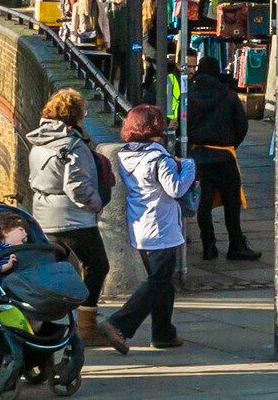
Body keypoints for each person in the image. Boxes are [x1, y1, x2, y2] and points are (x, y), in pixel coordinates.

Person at [26, 88, 123, 350]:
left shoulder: (39, 142)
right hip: (73, 219)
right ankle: (86, 325)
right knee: (97, 265)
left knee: (54, 271)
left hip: (44, 216)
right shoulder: (73, 145)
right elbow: (77, 187)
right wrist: (96, 203)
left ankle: (45, 325)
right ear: (76, 115)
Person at [104, 104, 194, 352]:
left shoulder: (126, 156)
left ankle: (163, 333)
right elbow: (175, 188)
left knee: (163, 283)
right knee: (158, 281)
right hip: (162, 228)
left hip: (140, 226)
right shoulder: (158, 158)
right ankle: (118, 323)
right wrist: (188, 166)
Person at [186, 55, 258, 261]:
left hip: (199, 155)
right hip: (224, 155)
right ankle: (236, 245)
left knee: (204, 203)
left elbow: (185, 123)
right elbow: (242, 125)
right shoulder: (228, 95)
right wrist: (230, 144)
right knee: (231, 202)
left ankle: (209, 246)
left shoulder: (189, 94)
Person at [0, 212, 30, 276]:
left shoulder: (25, 248)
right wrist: (8, 265)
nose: (25, 234)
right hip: (7, 278)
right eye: (21, 230)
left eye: (25, 231)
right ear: (6, 232)